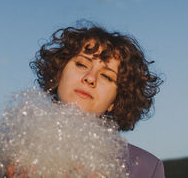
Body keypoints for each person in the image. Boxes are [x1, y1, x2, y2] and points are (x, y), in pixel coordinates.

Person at [28, 23, 165, 178]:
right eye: (81, 64)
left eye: (107, 76)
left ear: (116, 100)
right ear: (59, 73)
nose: (90, 78)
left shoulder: (146, 168)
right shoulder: (6, 151)